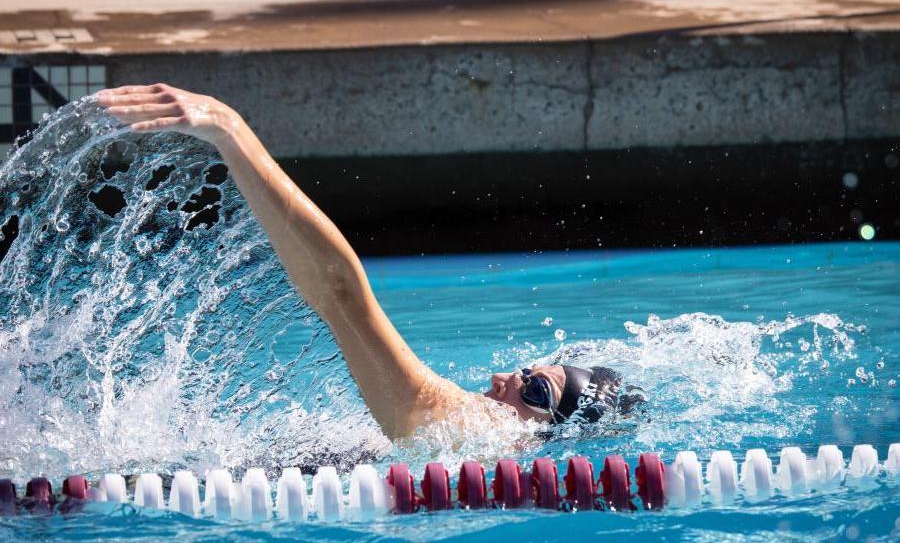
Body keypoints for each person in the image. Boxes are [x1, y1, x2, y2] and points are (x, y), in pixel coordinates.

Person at [97, 83, 642, 440]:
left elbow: (339, 293)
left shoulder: (473, 433)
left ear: (554, 431)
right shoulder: (475, 449)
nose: (502, 377)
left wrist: (230, 130)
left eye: (534, 391)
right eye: (527, 372)